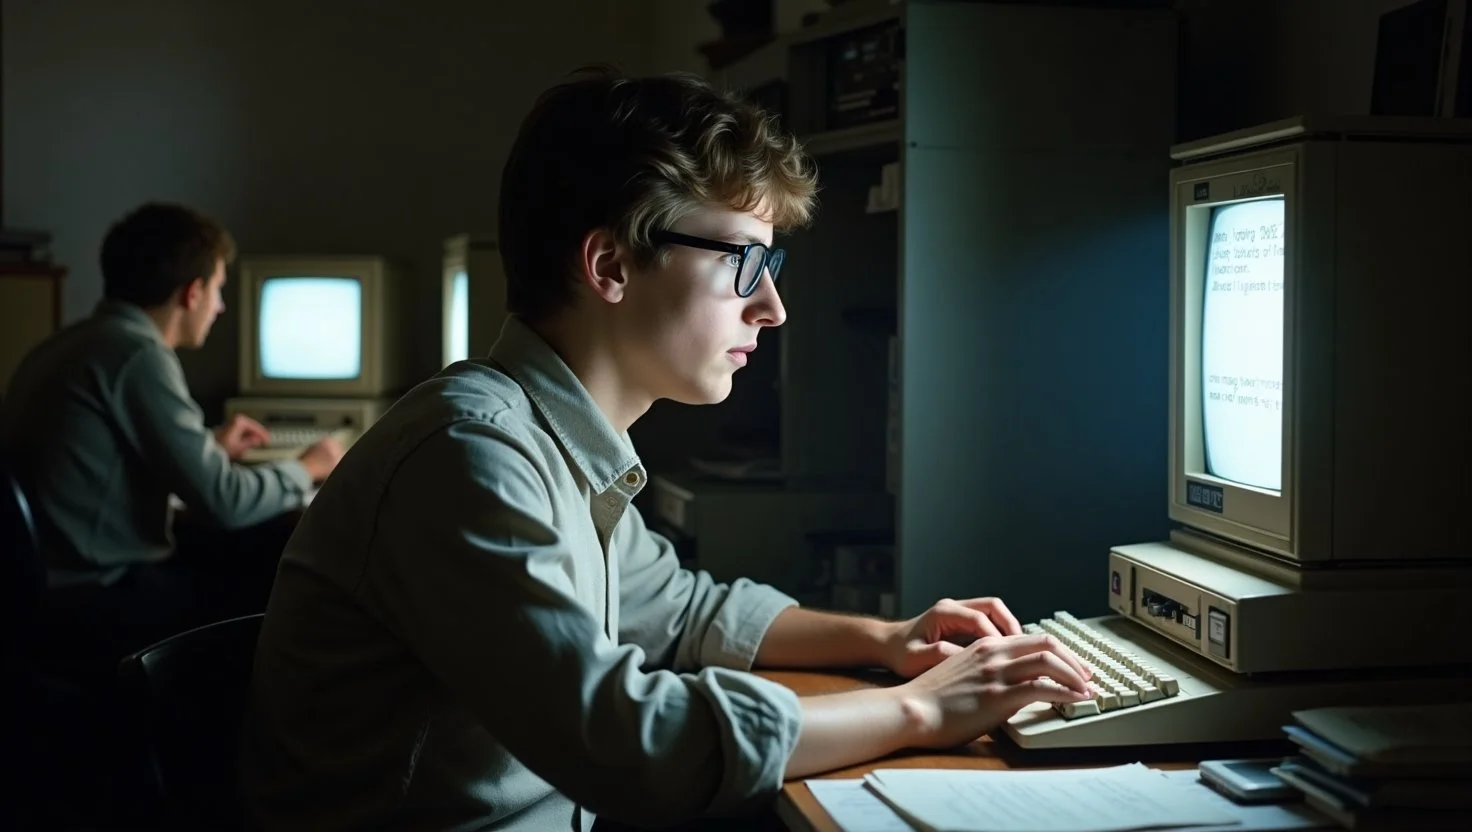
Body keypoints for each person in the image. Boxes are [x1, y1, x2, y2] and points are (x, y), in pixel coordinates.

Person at [242, 68, 1093, 831]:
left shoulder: (556, 440)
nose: (773, 308)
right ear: (611, 265)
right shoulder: (470, 456)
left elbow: (681, 611)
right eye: (744, 263)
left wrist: (886, 638)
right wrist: (923, 710)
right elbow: (631, 744)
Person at [0, 202, 344, 660]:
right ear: (191, 293)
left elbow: (103, 463)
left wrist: (208, 447)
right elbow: (225, 502)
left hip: (40, 587)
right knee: (275, 573)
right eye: (218, 289)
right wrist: (308, 467)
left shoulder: (68, 343)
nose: (220, 306)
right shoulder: (137, 355)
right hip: (96, 597)